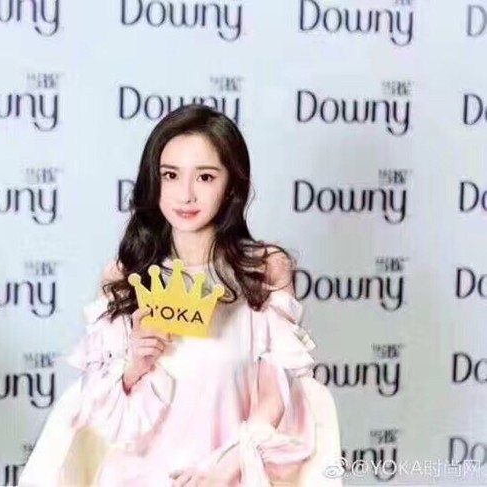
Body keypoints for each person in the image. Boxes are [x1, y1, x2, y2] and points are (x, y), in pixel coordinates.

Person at [20, 104, 318, 486]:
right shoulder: (125, 275)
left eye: (205, 177)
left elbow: (276, 397)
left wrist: (224, 469)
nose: (186, 194)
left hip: (224, 476)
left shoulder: (264, 270)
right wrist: (135, 365)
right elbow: (101, 415)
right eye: (171, 175)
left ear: (232, 185)